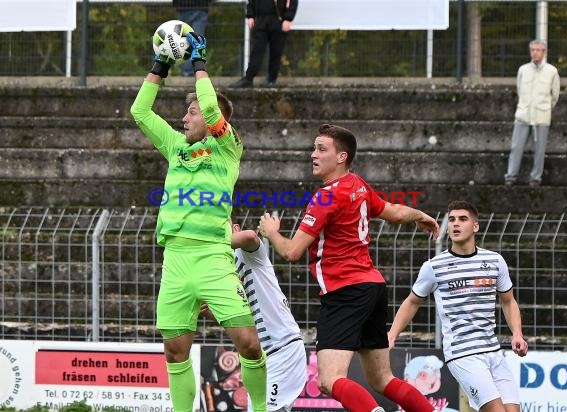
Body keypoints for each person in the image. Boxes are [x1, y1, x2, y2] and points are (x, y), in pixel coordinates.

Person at [258, 123, 440, 412]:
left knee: (329, 380)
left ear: (341, 157)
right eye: (313, 148)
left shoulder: (325, 197)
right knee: (383, 379)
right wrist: (421, 214)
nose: (312, 154)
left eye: (321, 149)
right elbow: (392, 211)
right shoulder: (357, 184)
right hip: (373, 288)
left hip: (345, 291)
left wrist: (271, 232)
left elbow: (291, 251)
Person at [130, 33, 267, 412]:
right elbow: (140, 113)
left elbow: (209, 108)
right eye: (186, 112)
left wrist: (199, 63)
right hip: (175, 259)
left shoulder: (227, 149)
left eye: (191, 113)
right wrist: (161, 65)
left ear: (214, 121)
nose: (185, 117)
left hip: (212, 257)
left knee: (249, 343)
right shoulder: (176, 147)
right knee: (175, 352)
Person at [388, 200, 528, 412]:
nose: (455, 224)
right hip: (462, 354)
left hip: (493, 350)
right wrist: (392, 334)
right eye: (452, 219)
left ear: (475, 226)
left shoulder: (494, 261)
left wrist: (517, 333)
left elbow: (508, 301)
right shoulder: (434, 267)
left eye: (463, 219)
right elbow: (412, 302)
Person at [203, 221, 307, 412]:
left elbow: (250, 236)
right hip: (264, 358)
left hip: (282, 349)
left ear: (234, 229)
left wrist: (203, 246)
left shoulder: (246, 253)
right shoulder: (222, 271)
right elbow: (239, 319)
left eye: (219, 231)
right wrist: (211, 312)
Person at [504, 39, 560, 188]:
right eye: (532, 50)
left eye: (538, 50)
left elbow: (555, 95)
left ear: (544, 52)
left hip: (541, 116)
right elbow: (519, 89)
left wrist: (546, 108)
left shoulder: (552, 71)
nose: (535, 52)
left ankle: (536, 178)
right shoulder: (523, 70)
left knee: (540, 150)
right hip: (523, 115)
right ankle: (511, 176)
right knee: (516, 147)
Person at [230, 0, 298, 88]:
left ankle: (271, 80)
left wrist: (288, 18)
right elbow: (251, 2)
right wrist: (250, 16)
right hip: (260, 20)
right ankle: (248, 79)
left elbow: (293, 2)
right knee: (256, 51)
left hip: (279, 20)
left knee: (276, 52)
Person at [173, 0, 213, 77]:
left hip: (183, 7)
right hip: (200, 6)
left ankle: (186, 71)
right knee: (197, 42)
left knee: (184, 42)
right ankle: (197, 70)